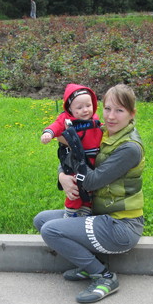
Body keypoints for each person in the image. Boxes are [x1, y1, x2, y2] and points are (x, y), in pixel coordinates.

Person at [34, 84, 145, 304]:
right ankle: (88, 263)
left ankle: (103, 276)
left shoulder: (129, 147)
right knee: (41, 220)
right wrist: (62, 176)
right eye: (107, 108)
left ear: (132, 114)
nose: (111, 116)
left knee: (51, 230)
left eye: (119, 110)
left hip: (121, 226)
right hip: (99, 213)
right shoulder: (103, 131)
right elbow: (71, 157)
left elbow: (91, 181)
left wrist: (73, 149)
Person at [41, 84, 103, 218]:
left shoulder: (94, 120)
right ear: (70, 108)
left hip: (93, 159)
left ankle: (85, 209)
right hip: (77, 160)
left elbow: (101, 130)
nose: (85, 110)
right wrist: (48, 133)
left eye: (88, 105)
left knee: (89, 190)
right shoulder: (67, 120)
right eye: (79, 108)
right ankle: (70, 213)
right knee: (76, 187)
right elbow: (56, 126)